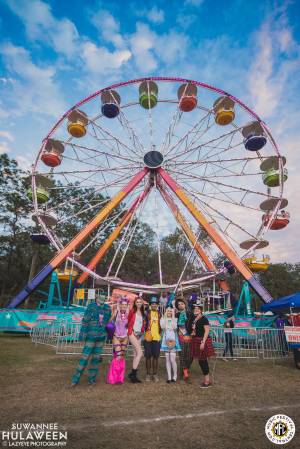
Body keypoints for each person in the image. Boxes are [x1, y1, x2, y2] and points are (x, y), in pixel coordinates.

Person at [71, 296, 111, 387]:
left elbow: (107, 321)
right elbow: (85, 321)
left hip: (101, 337)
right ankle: (75, 379)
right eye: (100, 299)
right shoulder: (91, 307)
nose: (101, 300)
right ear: (96, 299)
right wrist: (82, 335)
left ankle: (92, 380)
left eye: (103, 299)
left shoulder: (107, 308)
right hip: (91, 337)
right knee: (84, 358)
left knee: (96, 360)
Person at [186, 301, 215, 388]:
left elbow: (206, 331)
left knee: (203, 361)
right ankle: (207, 380)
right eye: (195, 309)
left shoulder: (204, 318)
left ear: (201, 310)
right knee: (201, 361)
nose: (196, 310)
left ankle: (207, 381)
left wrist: (203, 342)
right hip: (195, 340)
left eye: (198, 309)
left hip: (202, 340)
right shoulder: (194, 319)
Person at [107, 297, 129, 384]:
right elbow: (109, 322)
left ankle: (120, 378)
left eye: (125, 305)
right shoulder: (116, 312)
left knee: (122, 357)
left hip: (125, 337)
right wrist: (113, 314)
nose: (124, 306)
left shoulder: (128, 313)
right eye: (122, 304)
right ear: (120, 305)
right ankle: (112, 378)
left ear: (127, 306)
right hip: (116, 336)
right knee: (118, 356)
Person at [127, 296, 146, 383]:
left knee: (136, 354)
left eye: (140, 302)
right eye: (137, 302)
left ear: (142, 303)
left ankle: (133, 374)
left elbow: (142, 325)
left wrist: (141, 333)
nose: (139, 303)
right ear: (135, 303)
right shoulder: (132, 311)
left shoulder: (143, 313)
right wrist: (133, 332)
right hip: (132, 333)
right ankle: (133, 374)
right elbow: (128, 323)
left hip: (139, 335)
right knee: (140, 353)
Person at [160, 307, 181, 383]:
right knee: (167, 359)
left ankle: (175, 376)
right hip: (165, 340)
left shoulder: (175, 319)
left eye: (170, 311)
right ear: (166, 311)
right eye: (167, 311)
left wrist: (172, 317)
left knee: (172, 359)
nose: (169, 312)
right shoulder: (162, 319)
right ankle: (169, 377)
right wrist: (165, 318)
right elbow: (162, 327)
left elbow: (175, 327)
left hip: (173, 340)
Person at [144, 296, 161, 382]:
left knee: (156, 357)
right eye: (152, 303)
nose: (154, 305)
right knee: (148, 356)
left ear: (157, 305)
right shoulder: (146, 313)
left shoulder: (159, 313)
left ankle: (155, 374)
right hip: (148, 337)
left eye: (155, 303)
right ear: (150, 304)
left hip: (157, 338)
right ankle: (148, 374)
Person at [175, 297, 193, 381]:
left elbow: (194, 323)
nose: (180, 305)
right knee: (182, 355)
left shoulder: (190, 314)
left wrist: (193, 331)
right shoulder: (177, 315)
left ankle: (184, 368)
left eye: (182, 304)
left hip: (189, 336)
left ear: (185, 304)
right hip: (180, 337)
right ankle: (184, 373)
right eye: (178, 304)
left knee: (189, 356)